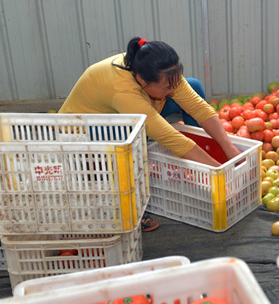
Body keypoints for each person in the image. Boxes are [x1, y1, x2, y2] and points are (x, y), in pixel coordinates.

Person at [60, 37, 241, 231]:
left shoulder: (159, 72)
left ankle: (199, 166)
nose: (172, 90)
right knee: (129, 141)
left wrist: (229, 149)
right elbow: (170, 137)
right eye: (167, 87)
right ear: (141, 80)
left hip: (128, 113)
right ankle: (128, 207)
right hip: (85, 133)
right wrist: (220, 173)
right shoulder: (122, 89)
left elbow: (198, 107)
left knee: (193, 86)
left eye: (174, 83)